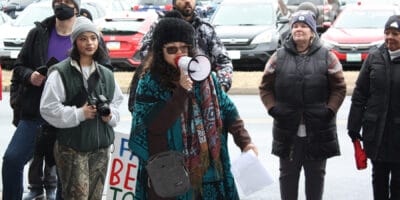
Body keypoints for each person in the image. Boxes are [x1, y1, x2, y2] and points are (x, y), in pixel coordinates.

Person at [128, 17, 258, 199]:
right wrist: (181, 90)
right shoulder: (150, 82)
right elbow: (155, 126)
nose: (179, 54)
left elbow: (228, 110)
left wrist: (245, 141)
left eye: (184, 48)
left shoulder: (205, 77)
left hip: (208, 171)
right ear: (159, 52)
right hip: (170, 173)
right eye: (172, 50)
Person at [259, 11, 346, 200]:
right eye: (295, 26)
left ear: (313, 31)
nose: (299, 29)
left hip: (318, 131)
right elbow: (265, 88)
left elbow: (339, 88)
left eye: (304, 26)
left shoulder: (327, 56)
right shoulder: (278, 57)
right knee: (288, 182)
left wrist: (329, 110)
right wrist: (273, 108)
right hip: (287, 133)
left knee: (315, 183)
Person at [2, 0, 81, 199]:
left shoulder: (86, 36)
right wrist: (31, 76)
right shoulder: (38, 33)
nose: (62, 4)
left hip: (68, 114)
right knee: (12, 160)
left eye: (68, 1)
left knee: (66, 171)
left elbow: (103, 71)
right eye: (58, 1)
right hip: (35, 111)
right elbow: (19, 67)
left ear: (76, 7)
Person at [39, 16, 123, 199]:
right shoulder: (61, 72)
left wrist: (111, 116)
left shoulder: (106, 74)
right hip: (72, 149)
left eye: (93, 38)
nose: (89, 43)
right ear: (75, 41)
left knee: (95, 196)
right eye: (83, 38)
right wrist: (79, 114)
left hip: (101, 149)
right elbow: (48, 108)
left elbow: (117, 102)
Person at [128, 0, 233, 112]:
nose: (187, 1)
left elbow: (224, 62)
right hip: (165, 99)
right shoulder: (160, 27)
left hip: (201, 100)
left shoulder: (205, 29)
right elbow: (146, 56)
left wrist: (219, 89)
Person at [347, 15, 400, 200]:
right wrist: (353, 126)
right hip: (377, 132)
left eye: (395, 33)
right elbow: (360, 94)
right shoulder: (374, 58)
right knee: (378, 179)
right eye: (387, 33)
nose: (390, 37)